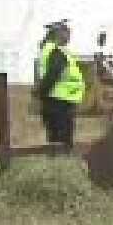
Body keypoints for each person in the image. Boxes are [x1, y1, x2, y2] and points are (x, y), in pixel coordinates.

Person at [32, 20, 86, 149]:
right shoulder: (55, 50)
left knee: (57, 138)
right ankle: (61, 163)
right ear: (58, 34)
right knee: (61, 139)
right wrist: (41, 92)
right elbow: (53, 73)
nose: (69, 36)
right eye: (67, 32)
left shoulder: (55, 50)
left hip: (59, 100)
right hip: (58, 101)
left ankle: (59, 162)